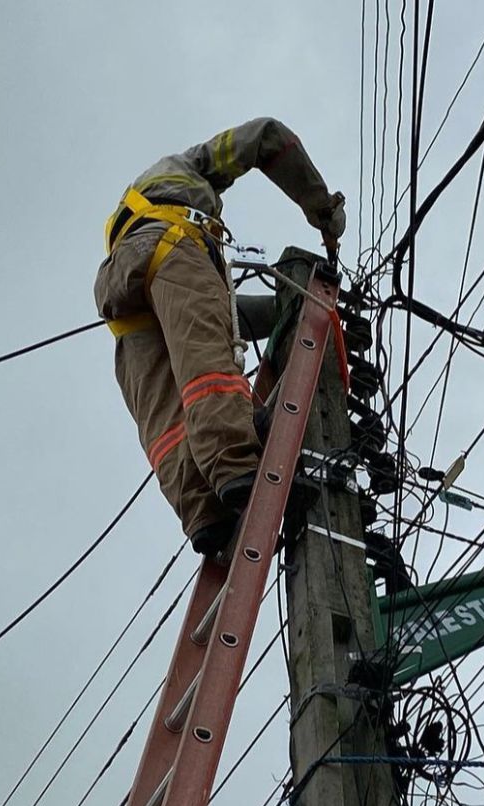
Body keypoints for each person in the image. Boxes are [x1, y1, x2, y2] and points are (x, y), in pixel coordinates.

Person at [93, 118, 345, 556]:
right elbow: (267, 136)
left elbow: (220, 318)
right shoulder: (195, 165)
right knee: (209, 367)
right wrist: (321, 208)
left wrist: (288, 308)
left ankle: (203, 512)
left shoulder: (134, 210)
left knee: (162, 411)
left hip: (119, 284)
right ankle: (235, 468)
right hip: (175, 241)